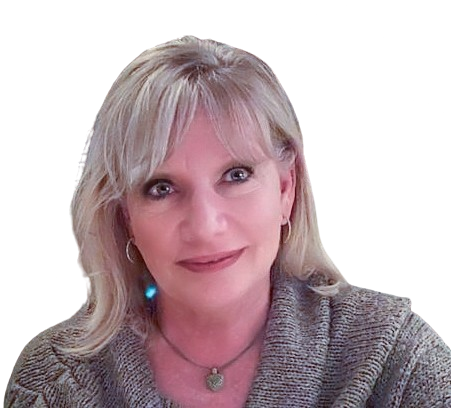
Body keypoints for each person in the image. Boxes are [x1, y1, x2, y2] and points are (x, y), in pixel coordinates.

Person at [4, 36, 450, 408]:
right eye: (161, 187)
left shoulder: (400, 362)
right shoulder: (54, 383)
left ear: (286, 189)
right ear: (126, 216)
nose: (205, 226)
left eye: (236, 175)